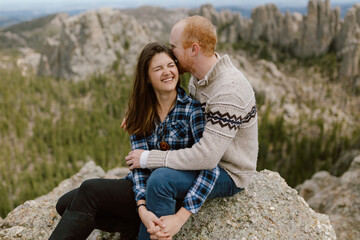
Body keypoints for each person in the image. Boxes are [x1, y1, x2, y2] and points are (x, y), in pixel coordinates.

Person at [49, 42, 219, 240]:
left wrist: (184, 211)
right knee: (64, 204)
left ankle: (132, 223)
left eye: (170, 65)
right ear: (147, 78)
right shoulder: (140, 113)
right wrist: (141, 209)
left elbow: (208, 165)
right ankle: (131, 223)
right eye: (158, 68)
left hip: (169, 191)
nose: (167, 72)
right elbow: (138, 166)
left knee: (89, 190)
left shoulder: (192, 110)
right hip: (143, 188)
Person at [125, 15, 258, 239]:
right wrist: (139, 112)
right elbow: (178, 106)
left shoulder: (228, 89)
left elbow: (207, 158)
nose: (171, 53)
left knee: (161, 180)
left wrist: (149, 158)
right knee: (151, 179)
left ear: (193, 49)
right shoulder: (200, 78)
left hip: (228, 171)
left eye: (174, 47)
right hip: (203, 160)